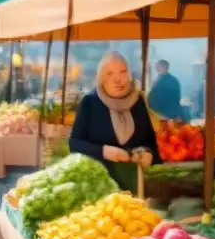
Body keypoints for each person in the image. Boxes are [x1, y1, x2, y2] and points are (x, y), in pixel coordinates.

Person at [68, 51, 161, 191]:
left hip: (135, 187)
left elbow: (151, 143)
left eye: (123, 72)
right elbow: (75, 144)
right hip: (98, 186)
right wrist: (104, 151)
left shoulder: (139, 101)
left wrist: (149, 155)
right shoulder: (90, 102)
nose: (117, 79)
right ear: (101, 79)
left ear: (129, 75)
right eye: (110, 73)